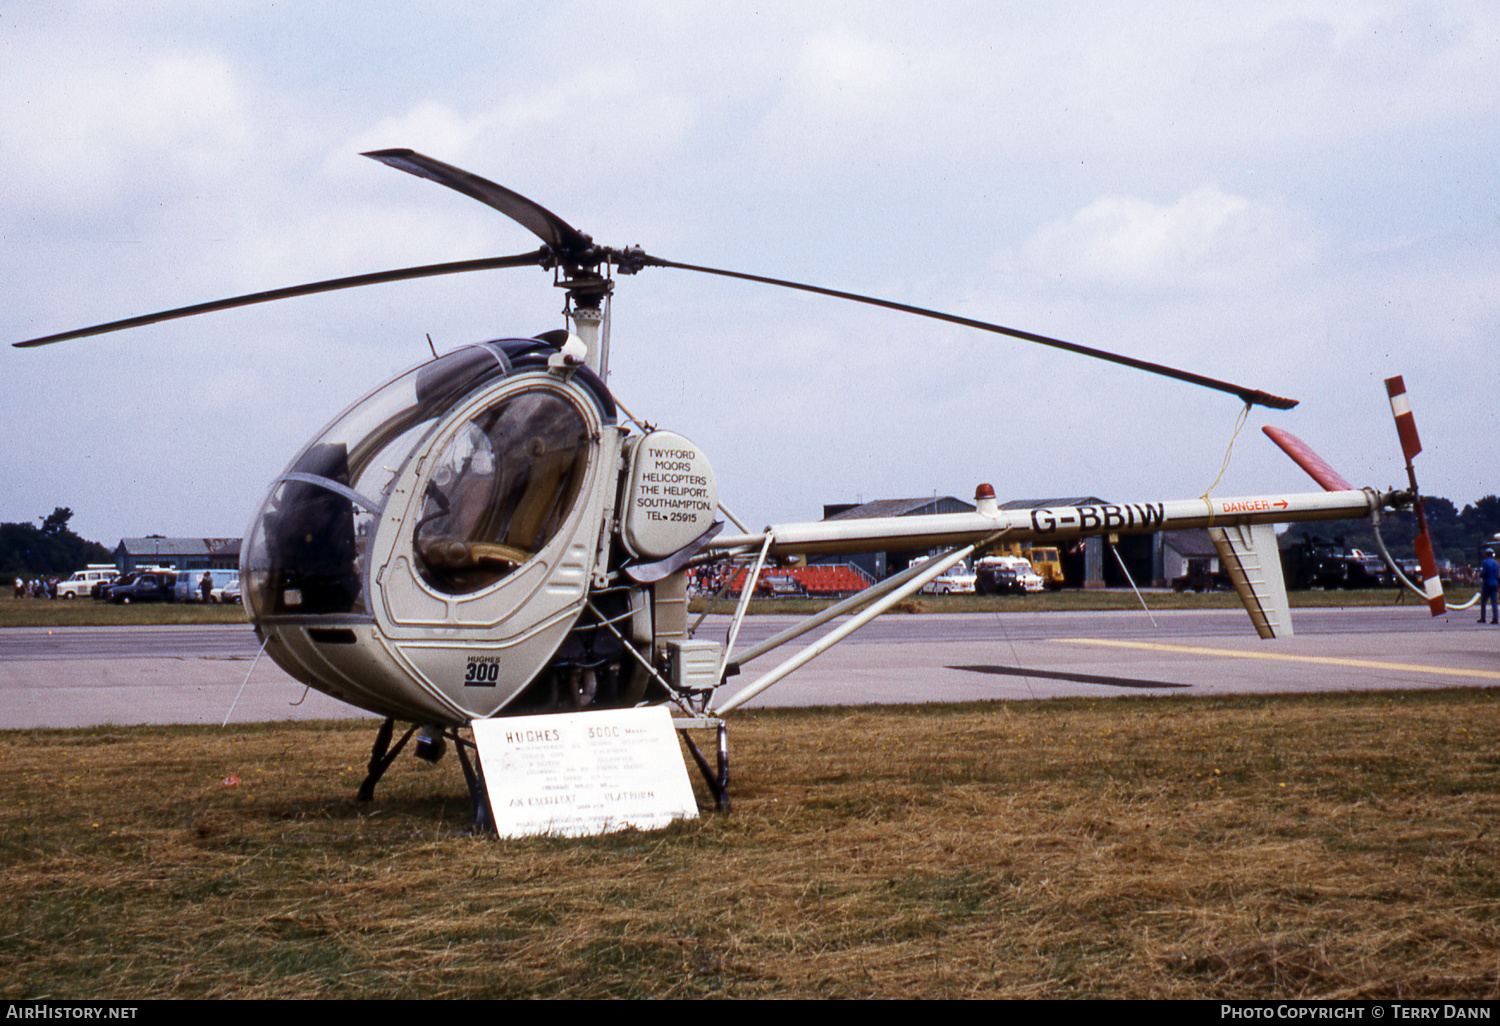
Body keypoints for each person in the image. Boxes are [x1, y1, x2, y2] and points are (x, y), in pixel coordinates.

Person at [1480, 549, 1500, 625]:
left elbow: (1484, 573)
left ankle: (1483, 617)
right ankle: (1495, 618)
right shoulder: (1496, 563)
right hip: (1495, 583)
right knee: (1494, 602)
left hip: (1487, 583)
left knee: (1483, 601)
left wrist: (1480, 575)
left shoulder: (1485, 562)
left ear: (1486, 554)